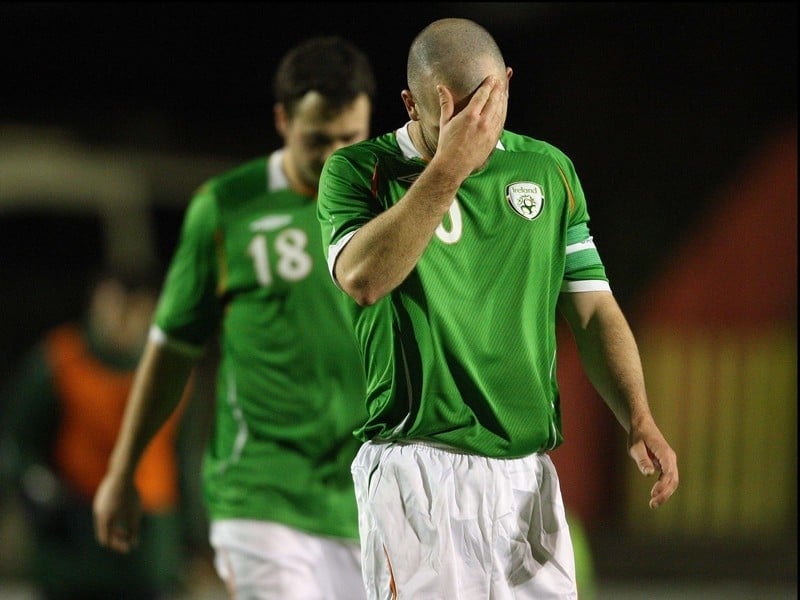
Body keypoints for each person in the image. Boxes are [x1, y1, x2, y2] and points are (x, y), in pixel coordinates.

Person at [317, 17, 680, 599]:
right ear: (412, 104)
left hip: (525, 473)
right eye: (454, 116)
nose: (476, 128)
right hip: (418, 472)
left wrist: (638, 416)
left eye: (489, 103)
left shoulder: (548, 170)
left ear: (507, 82)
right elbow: (364, 279)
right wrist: (448, 170)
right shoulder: (359, 171)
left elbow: (592, 312)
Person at [93, 36, 376, 600]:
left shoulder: (390, 206)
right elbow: (171, 349)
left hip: (366, 498)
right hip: (260, 493)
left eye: (351, 139)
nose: (336, 156)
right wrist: (122, 472)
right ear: (282, 120)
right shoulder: (228, 207)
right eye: (318, 140)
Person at [0, 265, 185, 600]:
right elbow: (16, 441)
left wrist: (201, 538)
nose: (122, 319)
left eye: (135, 308)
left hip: (147, 538)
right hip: (75, 533)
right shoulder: (60, 360)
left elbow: (188, 456)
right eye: (114, 306)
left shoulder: (172, 368)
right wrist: (36, 485)